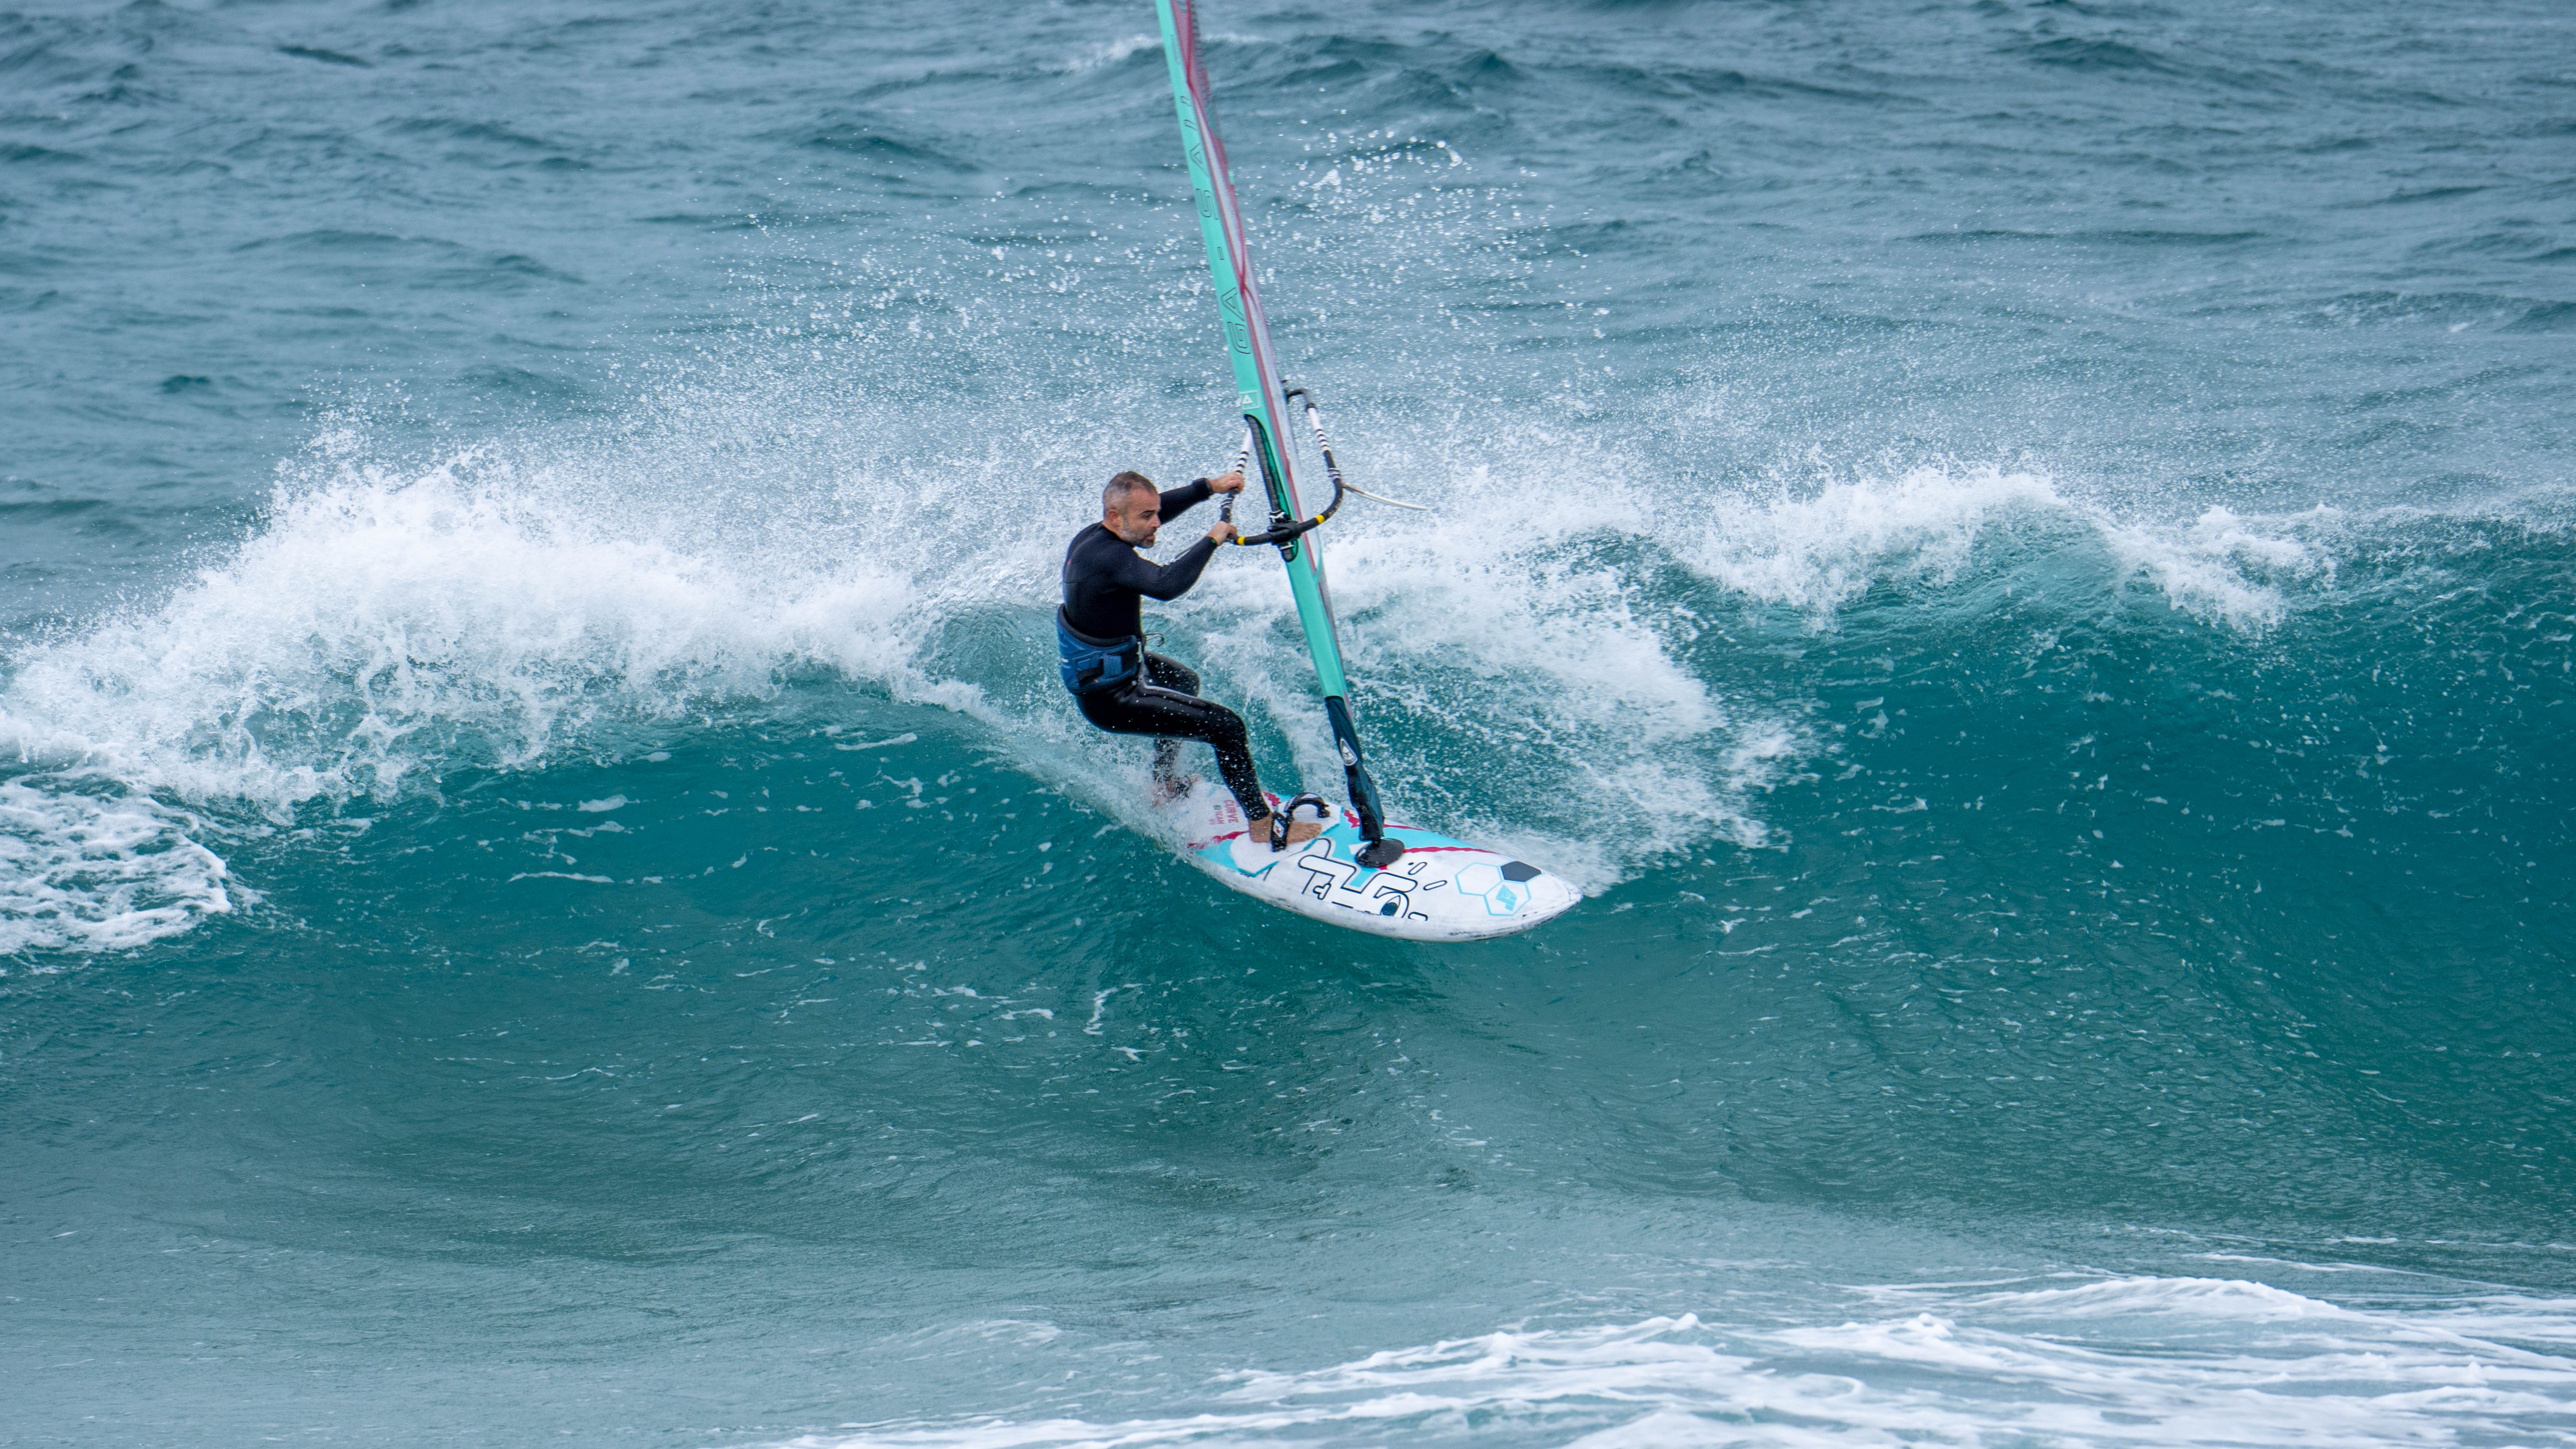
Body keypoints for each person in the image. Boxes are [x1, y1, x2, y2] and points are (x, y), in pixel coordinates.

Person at [1057, 469, 1325, 852]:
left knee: (1183, 682)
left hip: (1121, 669)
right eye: (1147, 517)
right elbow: (1166, 585)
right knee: (1227, 728)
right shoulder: (1109, 557)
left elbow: (1154, 511)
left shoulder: (1096, 536)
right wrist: (1213, 539)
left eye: (1156, 513)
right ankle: (1263, 826)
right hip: (1111, 698)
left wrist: (1208, 489)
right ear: (1115, 517)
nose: (1157, 523)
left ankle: (1163, 784)